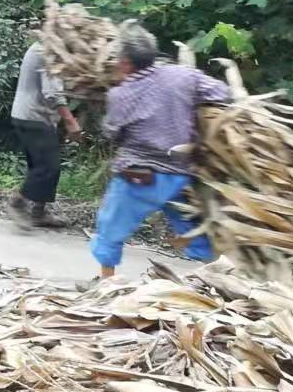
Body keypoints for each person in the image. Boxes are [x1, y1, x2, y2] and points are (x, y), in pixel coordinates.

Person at [90, 22, 231, 278]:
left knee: (110, 228)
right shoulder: (183, 76)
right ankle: (215, 279)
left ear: (124, 63)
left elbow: (112, 133)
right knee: (193, 227)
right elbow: (222, 92)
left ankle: (106, 282)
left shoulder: (121, 95)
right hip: (178, 176)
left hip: (138, 178)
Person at [8, 38, 82, 229]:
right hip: (34, 117)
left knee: (41, 166)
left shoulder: (41, 46)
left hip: (29, 115)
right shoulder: (49, 51)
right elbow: (52, 92)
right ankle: (18, 203)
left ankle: (39, 213)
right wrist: (71, 121)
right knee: (49, 167)